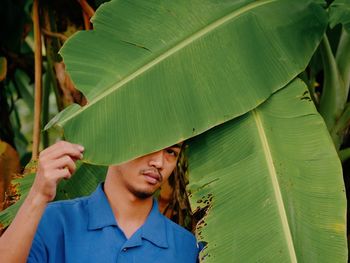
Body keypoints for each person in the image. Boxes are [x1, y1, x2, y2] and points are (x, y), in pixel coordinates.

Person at [0, 141, 199, 262]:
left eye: (171, 152)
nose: (159, 162)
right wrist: (38, 195)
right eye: (150, 145)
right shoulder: (53, 221)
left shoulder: (186, 247)